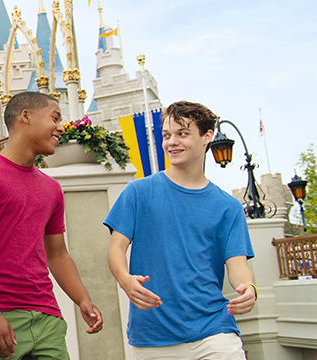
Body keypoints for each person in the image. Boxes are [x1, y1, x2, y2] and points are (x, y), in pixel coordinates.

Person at [0, 91, 104, 359]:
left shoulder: (52, 188)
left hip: (47, 318)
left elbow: (57, 253)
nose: (60, 127)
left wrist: (82, 299)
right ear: (26, 116)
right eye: (54, 118)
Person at [105, 100, 257, 359]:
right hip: (154, 337)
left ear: (207, 136)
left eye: (182, 133)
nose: (171, 142)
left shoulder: (228, 207)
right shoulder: (138, 192)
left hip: (215, 331)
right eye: (166, 135)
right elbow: (116, 249)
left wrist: (249, 288)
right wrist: (125, 279)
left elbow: (238, 264)